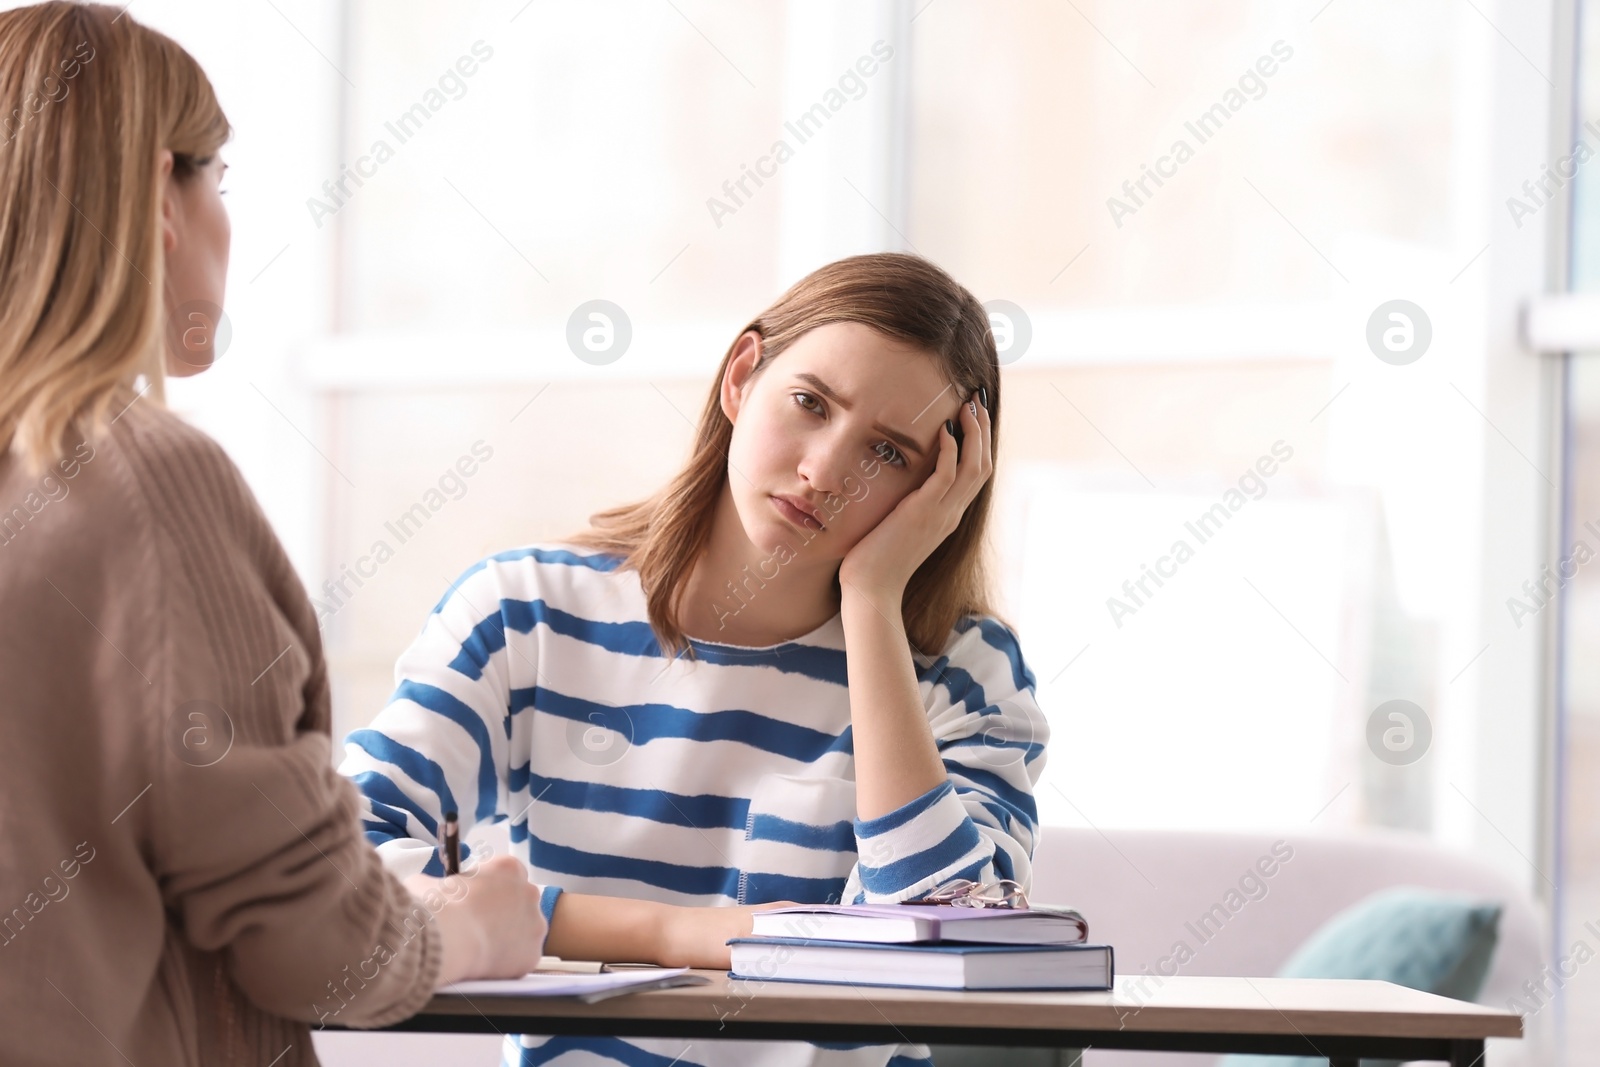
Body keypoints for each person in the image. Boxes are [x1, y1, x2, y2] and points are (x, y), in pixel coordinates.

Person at [0, 5, 547, 1065]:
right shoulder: (139, 480)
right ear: (161, 195)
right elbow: (314, 950)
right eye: (221, 182)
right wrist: (472, 929)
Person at [340, 251, 1051, 1066]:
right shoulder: (524, 614)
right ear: (742, 374)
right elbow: (343, 869)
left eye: (888, 453)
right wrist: (664, 930)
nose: (824, 471)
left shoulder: (967, 673)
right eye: (810, 403)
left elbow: (944, 942)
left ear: (947, 484)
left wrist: (873, 608)